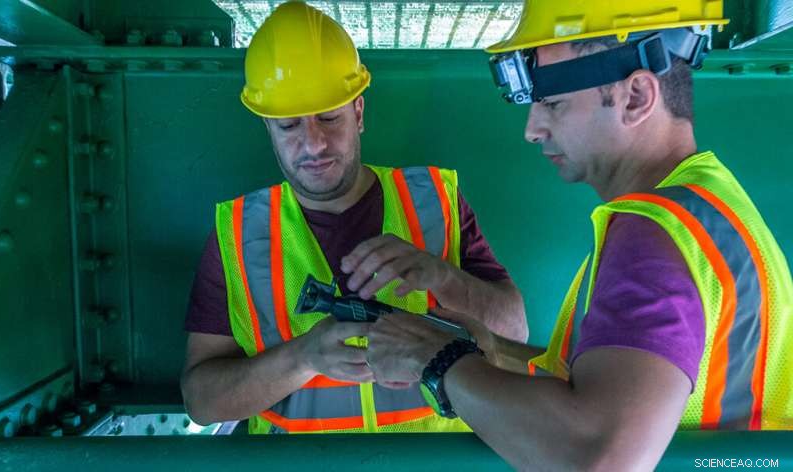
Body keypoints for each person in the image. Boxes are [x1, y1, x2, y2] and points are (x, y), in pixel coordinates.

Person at [365, 1, 793, 469]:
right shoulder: (709, 203)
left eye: (551, 103)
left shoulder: (653, 234)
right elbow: (605, 386)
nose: (532, 130)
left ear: (636, 97)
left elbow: (600, 457)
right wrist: (490, 352)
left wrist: (438, 360)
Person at [180, 1, 526, 435]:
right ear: (267, 127)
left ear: (358, 113)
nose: (314, 144)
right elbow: (201, 403)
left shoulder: (435, 201)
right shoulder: (239, 232)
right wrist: (303, 357)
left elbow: (515, 331)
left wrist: (441, 276)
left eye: (329, 118)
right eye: (289, 126)